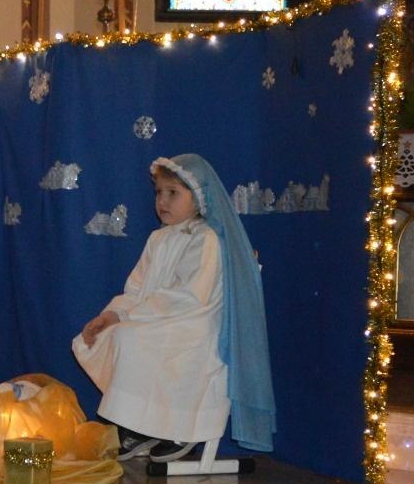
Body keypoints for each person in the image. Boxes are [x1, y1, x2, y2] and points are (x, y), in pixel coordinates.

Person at [73, 154, 275, 463]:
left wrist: (131, 316)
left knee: (132, 339)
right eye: (158, 193)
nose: (163, 201)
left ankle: (178, 429)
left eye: (173, 193)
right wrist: (112, 315)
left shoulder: (207, 239)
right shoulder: (158, 239)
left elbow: (188, 296)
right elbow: (136, 289)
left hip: (194, 325)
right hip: (159, 320)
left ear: (199, 198)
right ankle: (143, 424)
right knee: (112, 336)